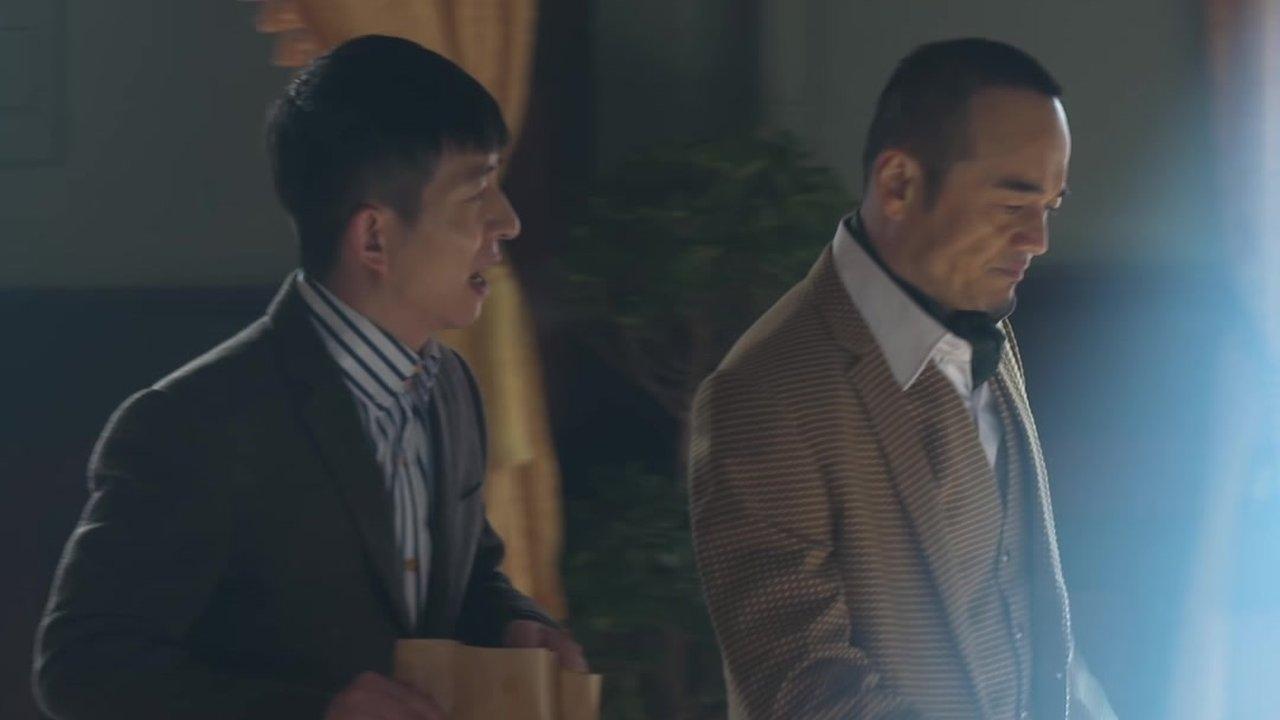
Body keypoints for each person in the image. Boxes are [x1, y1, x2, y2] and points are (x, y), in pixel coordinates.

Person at [33, 35, 584, 720]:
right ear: (374, 237)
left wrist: (513, 623)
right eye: (477, 192)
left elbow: (466, 577)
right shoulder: (193, 423)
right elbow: (83, 667)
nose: (509, 221)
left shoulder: (452, 389)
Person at [688, 38, 1114, 719]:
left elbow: (1030, 622)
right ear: (899, 185)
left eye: (1050, 207)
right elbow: (806, 695)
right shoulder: (765, 395)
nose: (1038, 240)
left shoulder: (988, 326)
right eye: (1013, 204)